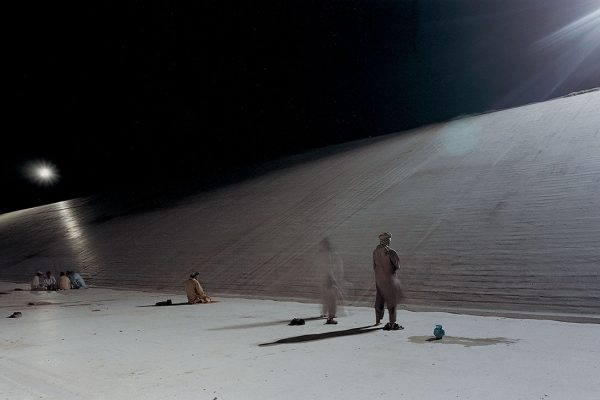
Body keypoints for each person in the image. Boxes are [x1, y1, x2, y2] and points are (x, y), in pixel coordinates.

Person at [373, 232, 403, 331]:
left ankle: (378, 320)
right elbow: (397, 266)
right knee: (392, 301)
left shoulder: (375, 252)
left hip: (379, 279)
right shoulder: (391, 252)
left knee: (379, 299)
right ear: (387, 240)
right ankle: (392, 322)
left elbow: (374, 266)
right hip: (389, 279)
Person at [314, 238, 345, 324]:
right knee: (332, 298)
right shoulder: (328, 254)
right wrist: (332, 278)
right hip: (328, 277)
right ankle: (331, 316)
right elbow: (329, 267)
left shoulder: (319, 254)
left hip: (321, 278)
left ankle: (324, 313)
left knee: (325, 297)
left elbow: (318, 267)